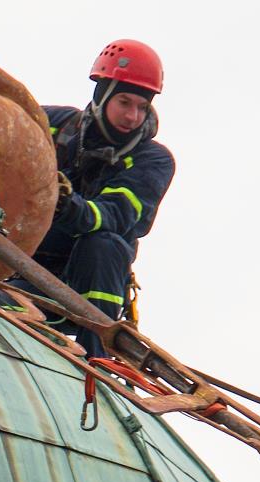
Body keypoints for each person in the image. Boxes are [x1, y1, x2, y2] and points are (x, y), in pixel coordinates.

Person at [23, 38, 176, 357]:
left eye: (142, 106)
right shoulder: (54, 125)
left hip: (90, 280)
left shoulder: (152, 160)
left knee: (104, 243)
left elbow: (115, 216)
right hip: (30, 270)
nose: (133, 116)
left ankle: (98, 358)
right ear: (101, 95)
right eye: (124, 102)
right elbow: (1, 128)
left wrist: (67, 204)